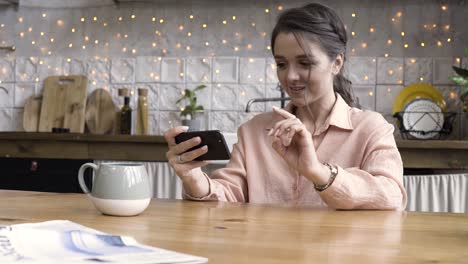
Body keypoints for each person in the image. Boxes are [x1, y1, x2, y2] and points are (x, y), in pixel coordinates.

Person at [164, 3, 407, 210]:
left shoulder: (370, 129)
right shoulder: (253, 132)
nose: (290, 76)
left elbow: (392, 196)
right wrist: (193, 178)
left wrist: (317, 172)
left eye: (305, 62)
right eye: (281, 64)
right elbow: (230, 197)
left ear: (337, 63)